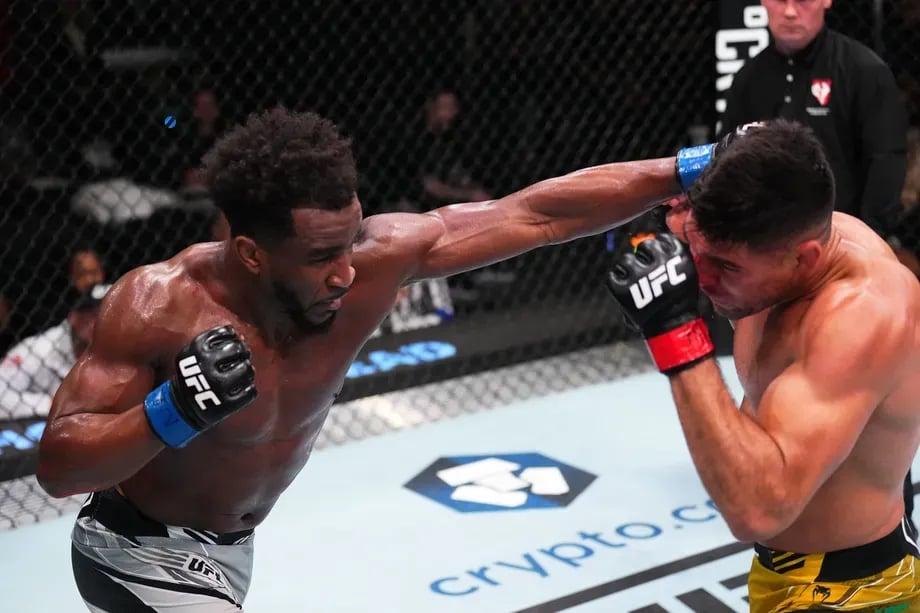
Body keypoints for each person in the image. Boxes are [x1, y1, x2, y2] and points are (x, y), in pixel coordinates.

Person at [38, 107, 696, 612]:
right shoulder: (158, 305)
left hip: (233, 551)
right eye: (322, 256)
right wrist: (173, 408)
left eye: (351, 241)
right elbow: (60, 464)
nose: (346, 273)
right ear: (250, 254)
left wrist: (686, 170)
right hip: (135, 549)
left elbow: (536, 215)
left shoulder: (374, 261)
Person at [606, 120, 920, 612]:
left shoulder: (861, 313)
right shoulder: (771, 241)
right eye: (698, 255)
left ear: (805, 259)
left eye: (727, 268)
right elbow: (542, 214)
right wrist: (673, 185)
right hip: (781, 571)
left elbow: (758, 509)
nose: (703, 282)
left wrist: (674, 330)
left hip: (853, 594)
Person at [721, 0, 908, 237]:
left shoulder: (863, 70)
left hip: (845, 235)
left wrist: (868, 237)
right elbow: (727, 163)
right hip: (766, 239)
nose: (789, 12)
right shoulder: (748, 79)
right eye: (780, 0)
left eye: (802, 1)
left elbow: (886, 159)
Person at [0, 284, 109, 420]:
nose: (99, 321)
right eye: (91, 314)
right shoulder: (39, 349)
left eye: (107, 313)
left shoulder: (121, 347)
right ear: (73, 316)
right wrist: (52, 404)